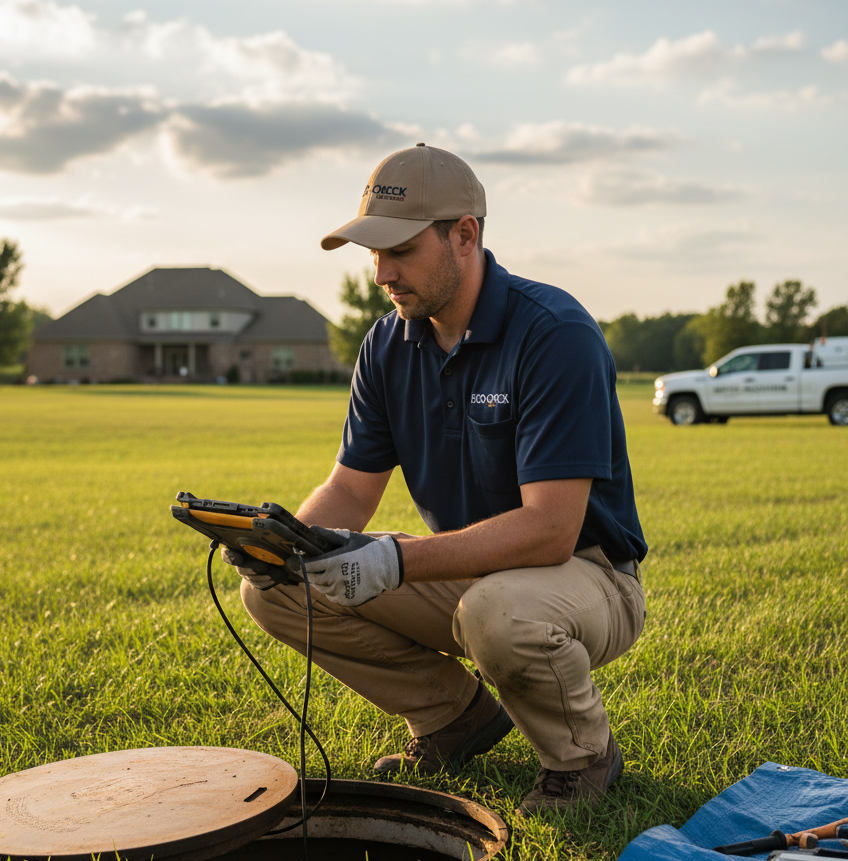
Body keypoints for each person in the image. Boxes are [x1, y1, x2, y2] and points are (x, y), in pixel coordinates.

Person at [225, 143, 648, 816]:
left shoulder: (554, 334)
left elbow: (550, 529)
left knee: (498, 612)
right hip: (469, 571)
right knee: (274, 593)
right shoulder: (389, 343)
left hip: (588, 574)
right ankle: (455, 719)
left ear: (466, 235)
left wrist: (394, 560)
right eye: (373, 254)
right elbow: (351, 489)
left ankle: (582, 759)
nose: (381, 273)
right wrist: (286, 547)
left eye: (400, 250)